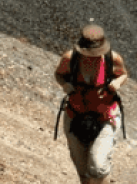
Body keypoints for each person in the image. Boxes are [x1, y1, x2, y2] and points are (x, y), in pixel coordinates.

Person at [55, 24, 129, 184]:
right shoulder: (70, 59)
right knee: (84, 173)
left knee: (98, 166)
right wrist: (65, 85)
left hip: (105, 116)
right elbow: (59, 74)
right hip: (75, 115)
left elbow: (123, 75)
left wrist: (117, 83)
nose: (93, 56)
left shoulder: (113, 59)